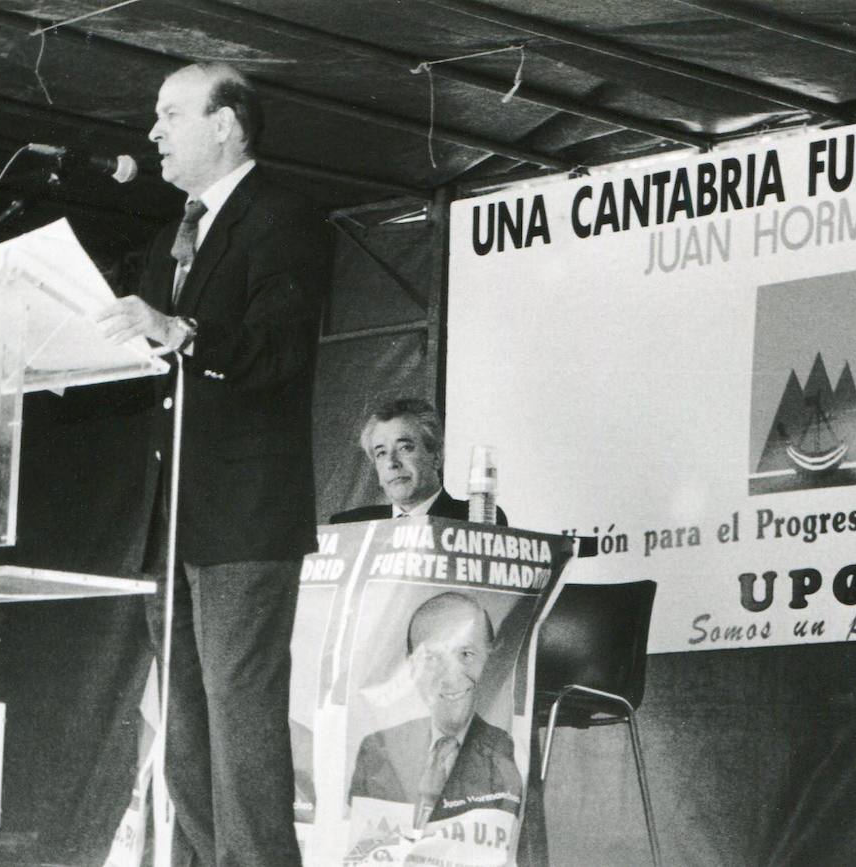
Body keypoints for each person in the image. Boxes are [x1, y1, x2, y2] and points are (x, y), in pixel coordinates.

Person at [97, 61, 328, 867]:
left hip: (245, 515)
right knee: (186, 737)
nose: (153, 132)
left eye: (170, 114)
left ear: (226, 123)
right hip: (171, 521)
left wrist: (181, 330)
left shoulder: (286, 219)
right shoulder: (168, 237)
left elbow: (276, 350)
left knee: (240, 723)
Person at [348, 592, 523, 829]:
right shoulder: (378, 748)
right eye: (431, 658)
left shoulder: (509, 752)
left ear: (489, 658)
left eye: (466, 654)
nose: (451, 677)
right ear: (410, 667)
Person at [330, 397, 508, 525]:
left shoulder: (476, 518)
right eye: (381, 453)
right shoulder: (348, 526)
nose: (392, 462)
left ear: (436, 456)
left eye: (405, 448)